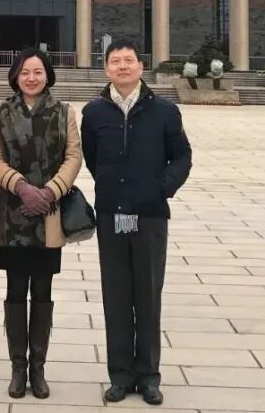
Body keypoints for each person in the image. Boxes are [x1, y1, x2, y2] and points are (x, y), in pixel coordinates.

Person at [81, 39, 192, 406]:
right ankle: (120, 375)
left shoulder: (164, 111)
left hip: (150, 216)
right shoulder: (94, 112)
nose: (123, 67)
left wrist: (161, 189)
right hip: (112, 214)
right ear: (106, 69)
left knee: (147, 295)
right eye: (116, 61)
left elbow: (182, 156)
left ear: (141, 67)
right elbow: (93, 158)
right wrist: (113, 187)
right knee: (115, 296)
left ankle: (148, 376)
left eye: (129, 60)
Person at [0, 48, 82, 400]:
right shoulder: (2, 113)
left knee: (43, 290)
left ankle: (38, 368)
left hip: (49, 214)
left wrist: (50, 191)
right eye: (25, 72)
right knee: (15, 290)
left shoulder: (63, 112)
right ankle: (18, 367)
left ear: (47, 76)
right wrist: (21, 188)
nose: (31, 78)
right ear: (16, 76)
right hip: (13, 215)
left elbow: (73, 155)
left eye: (38, 72)